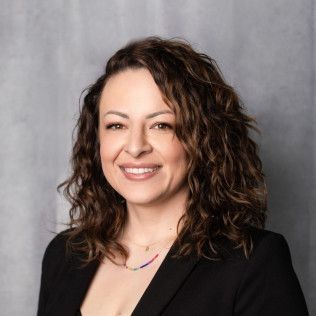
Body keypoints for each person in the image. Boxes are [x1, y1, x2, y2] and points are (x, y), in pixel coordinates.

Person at [37, 37, 309, 316]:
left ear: (201, 137)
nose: (135, 147)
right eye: (116, 125)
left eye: (160, 125)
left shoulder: (253, 261)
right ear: (97, 139)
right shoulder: (65, 255)